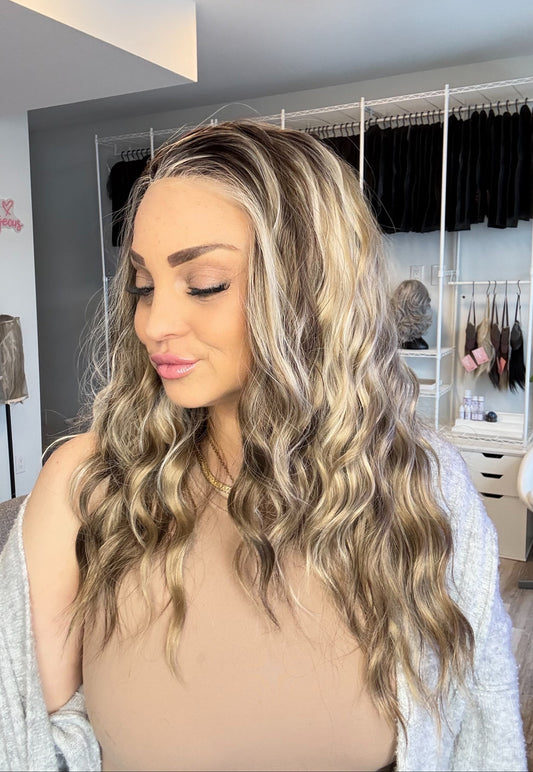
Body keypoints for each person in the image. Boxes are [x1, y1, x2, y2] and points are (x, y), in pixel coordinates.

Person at [0, 121, 526, 771]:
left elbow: (483, 734)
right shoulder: (87, 488)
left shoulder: (424, 488)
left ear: (310, 290)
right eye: (142, 285)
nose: (154, 323)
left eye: (204, 283)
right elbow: (21, 732)